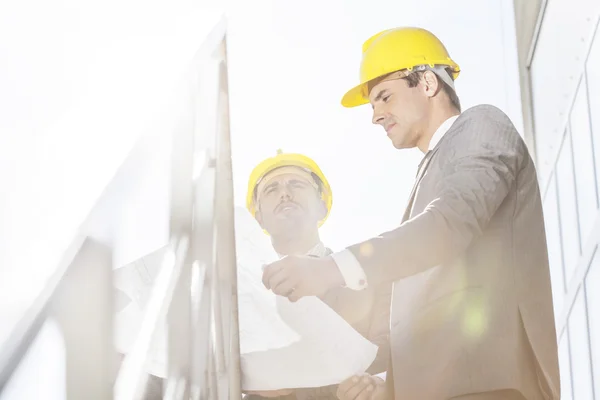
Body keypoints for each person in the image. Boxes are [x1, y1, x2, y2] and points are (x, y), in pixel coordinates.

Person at [261, 28, 560, 400]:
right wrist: (392, 388)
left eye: (384, 97)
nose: (376, 116)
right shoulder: (425, 183)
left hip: (490, 386)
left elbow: (449, 223)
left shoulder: (482, 125)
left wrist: (331, 269)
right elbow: (423, 315)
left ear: (429, 84)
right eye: (373, 105)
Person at [244, 150, 391, 400]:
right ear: (259, 219)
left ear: (322, 207)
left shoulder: (367, 277)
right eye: (271, 189)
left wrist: (379, 385)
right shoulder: (243, 296)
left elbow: (394, 349)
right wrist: (245, 379)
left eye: (296, 184)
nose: (285, 193)